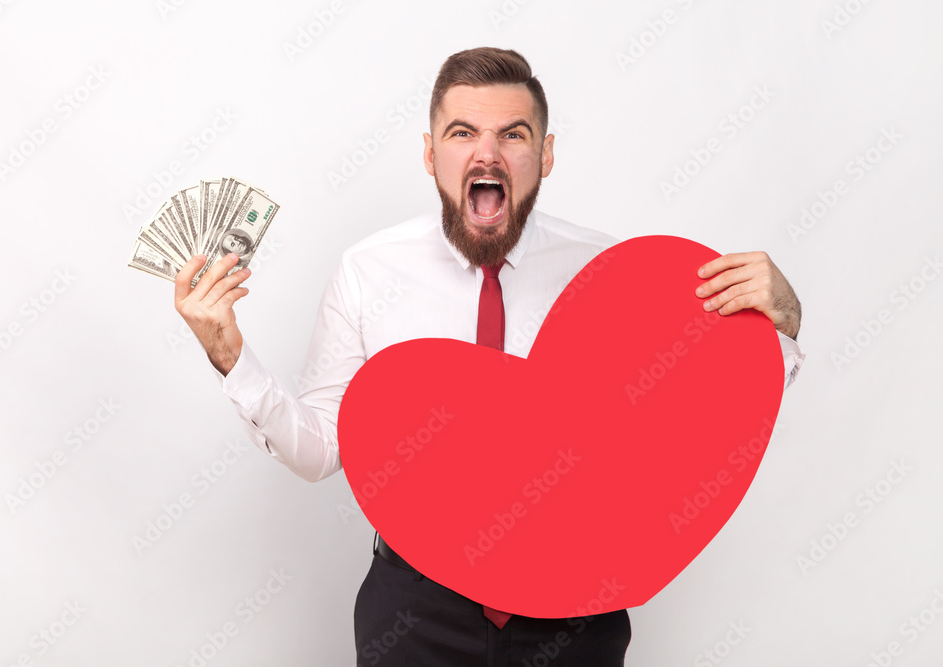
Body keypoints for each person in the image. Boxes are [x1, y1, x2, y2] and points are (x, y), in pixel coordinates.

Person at [174, 47, 804, 666]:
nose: (487, 153)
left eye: (514, 134)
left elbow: (699, 422)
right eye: (462, 132)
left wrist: (780, 327)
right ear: (430, 154)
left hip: (576, 613)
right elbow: (319, 452)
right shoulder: (369, 272)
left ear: (546, 155)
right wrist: (231, 357)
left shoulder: (610, 275)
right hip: (416, 615)